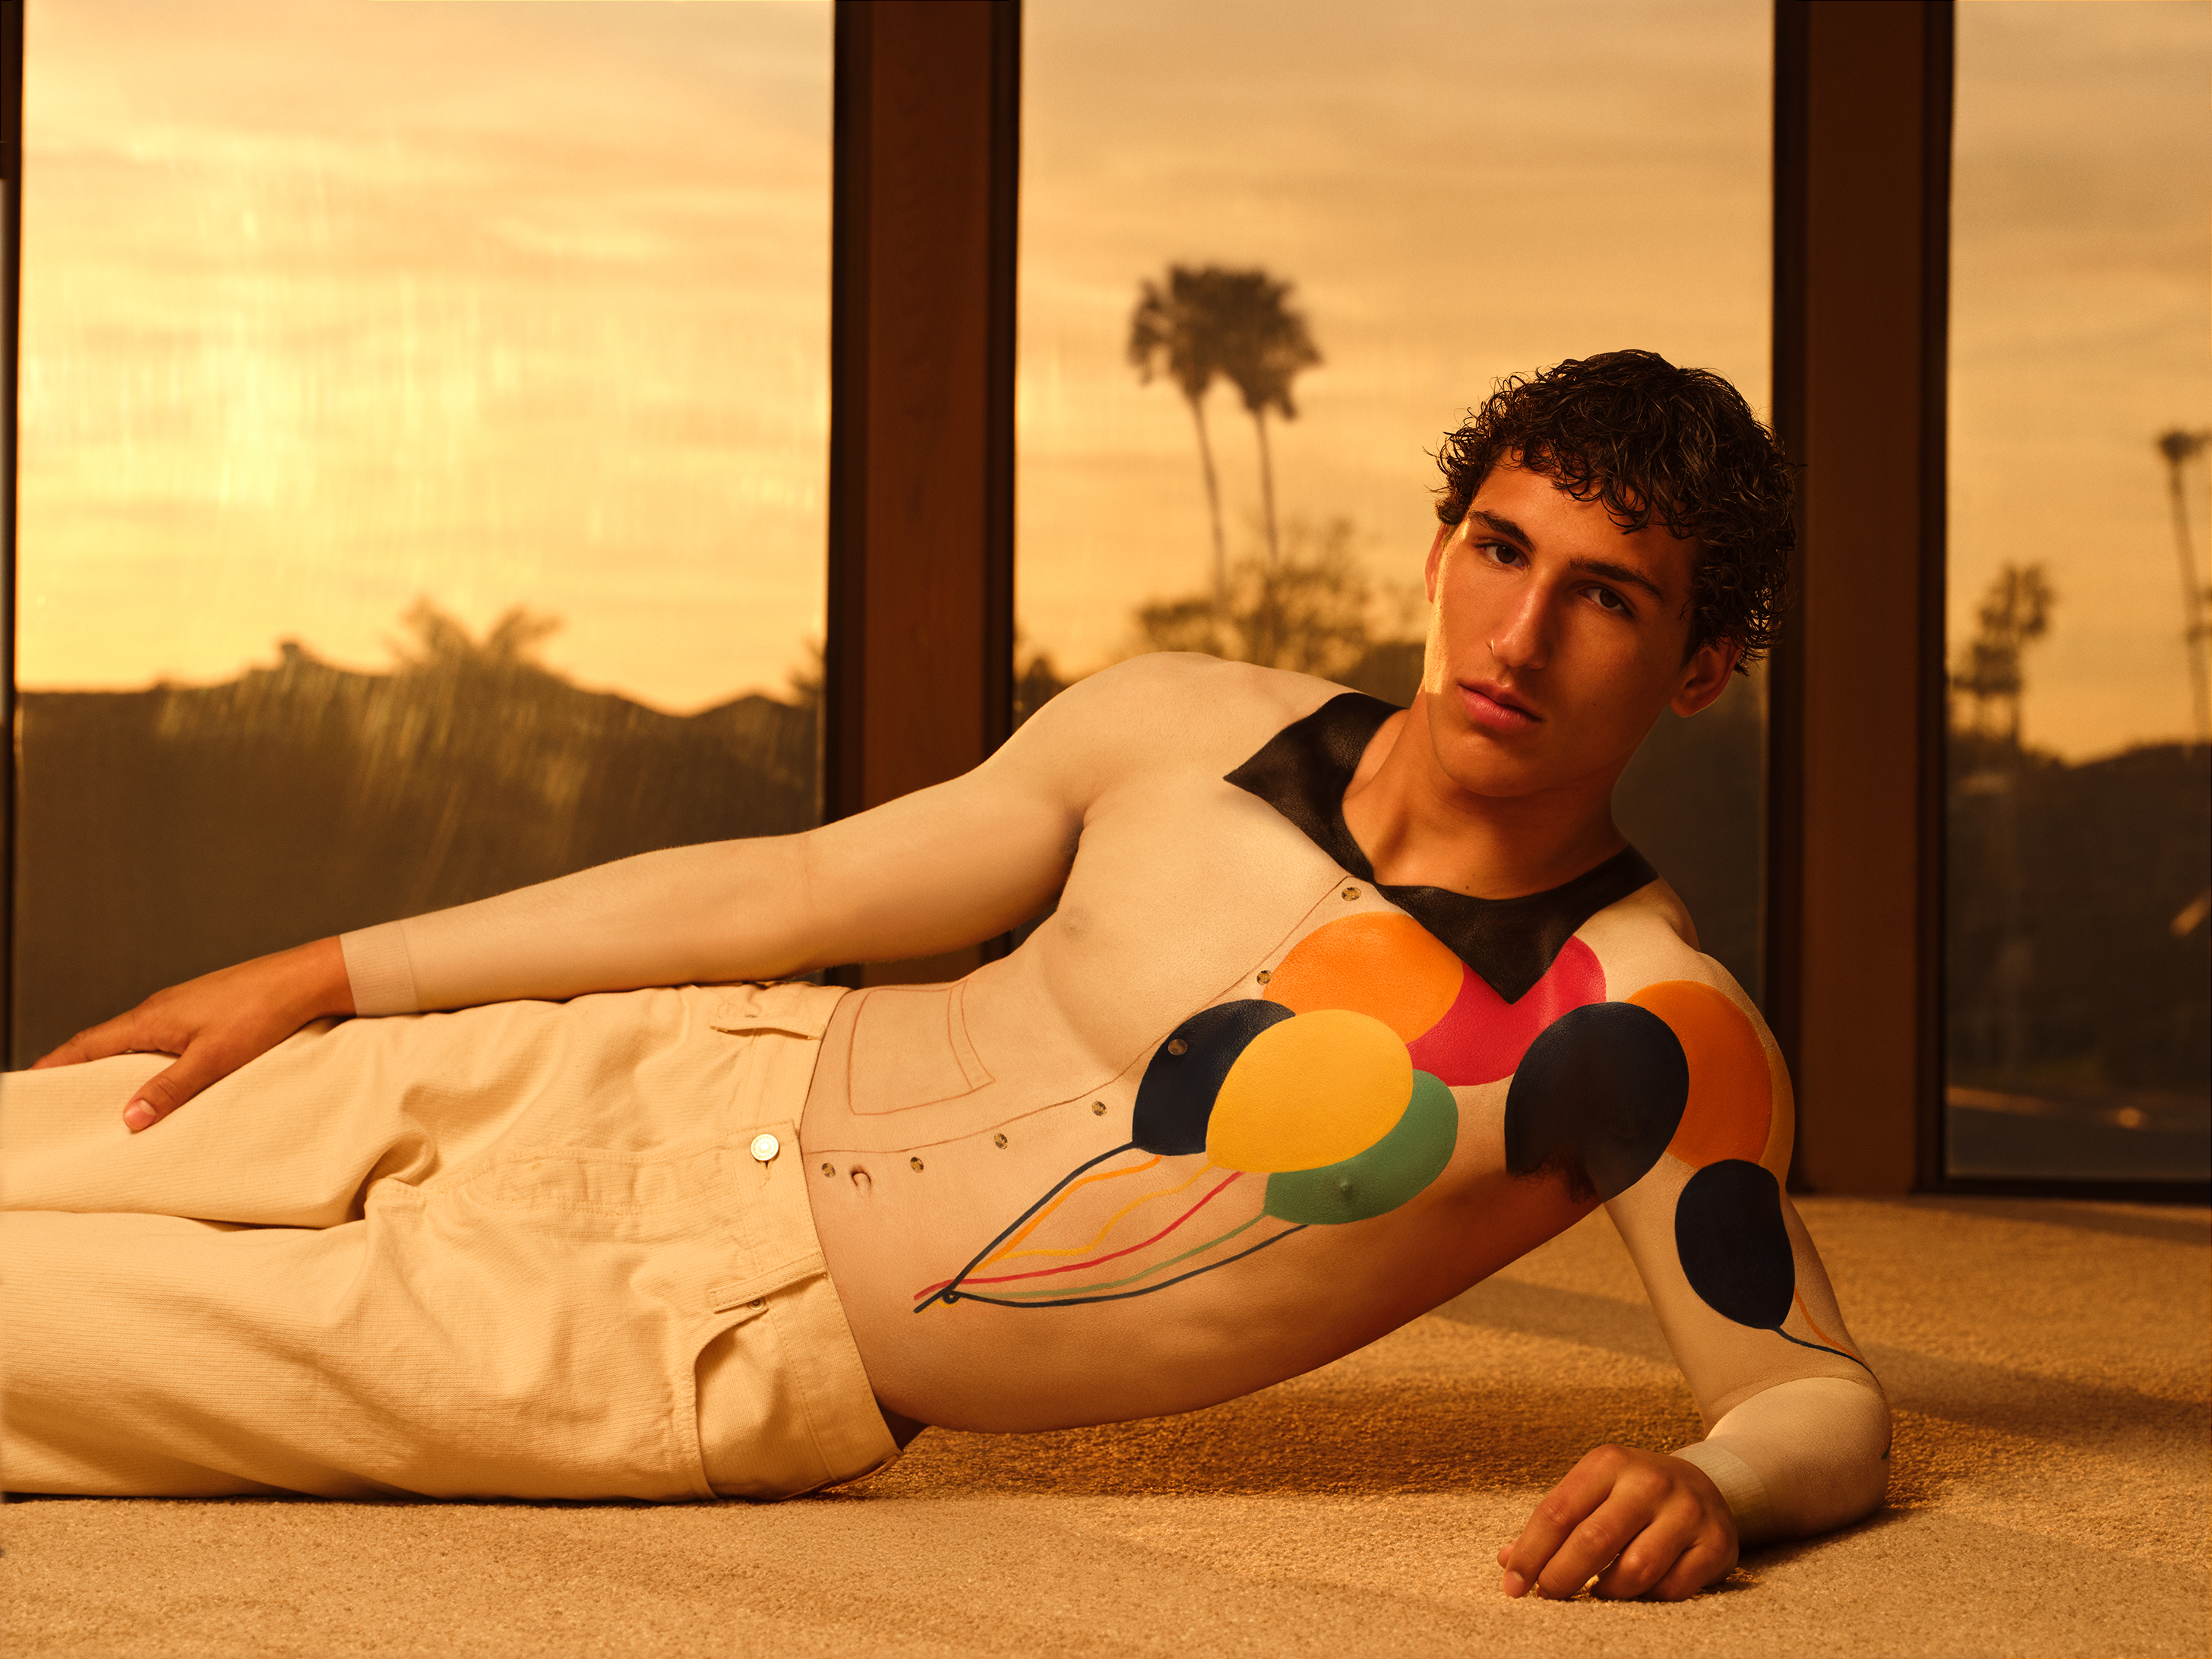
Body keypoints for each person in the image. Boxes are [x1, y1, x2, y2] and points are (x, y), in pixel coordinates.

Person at [2, 349, 1888, 1602]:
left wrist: (1717, 1485)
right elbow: (795, 884)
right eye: (1501, 548)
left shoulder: (1639, 1026)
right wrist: (333, 972)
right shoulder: (1176, 728)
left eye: (1608, 597)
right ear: (1442, 544)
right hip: (654, 1068)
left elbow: (1816, 1396)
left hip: (703, 1333)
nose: (1519, 629)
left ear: (1696, 669)